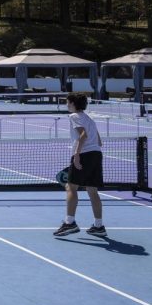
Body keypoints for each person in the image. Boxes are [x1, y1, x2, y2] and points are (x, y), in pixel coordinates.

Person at [54, 92, 105, 238]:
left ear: (73, 104)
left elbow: (83, 135)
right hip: (96, 154)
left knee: (71, 187)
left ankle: (69, 223)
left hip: (84, 155)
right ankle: (98, 226)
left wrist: (76, 155)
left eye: (68, 102)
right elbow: (99, 141)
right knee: (92, 190)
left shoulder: (74, 116)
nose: (66, 105)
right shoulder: (89, 119)